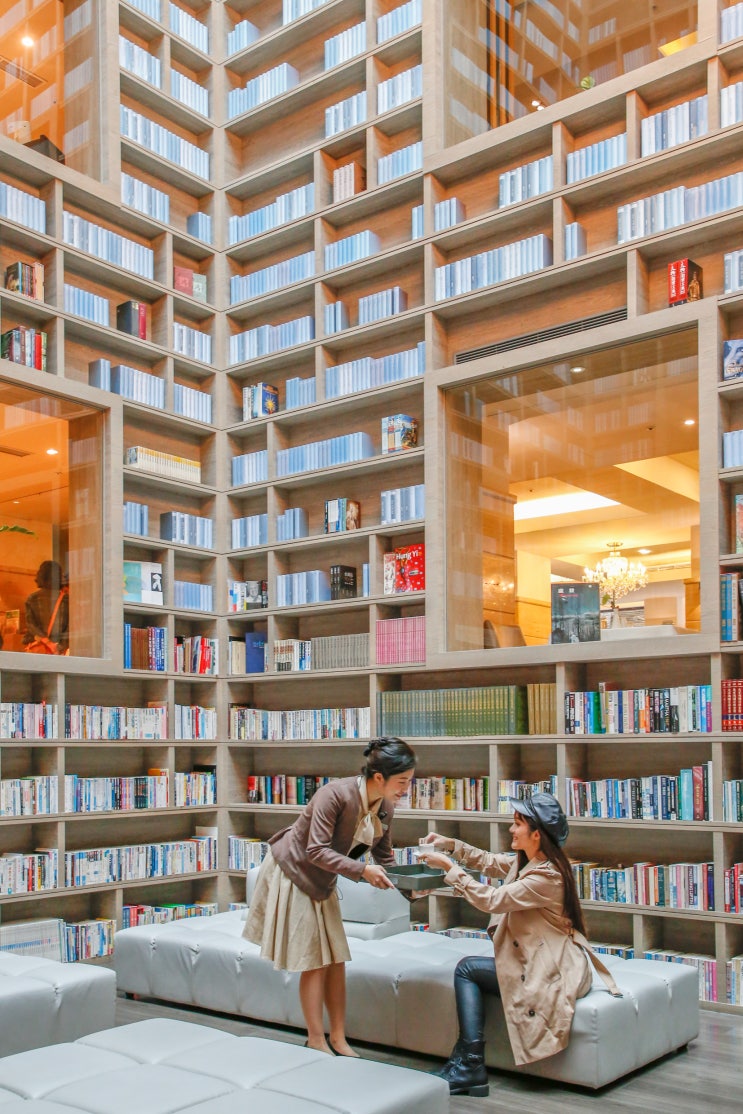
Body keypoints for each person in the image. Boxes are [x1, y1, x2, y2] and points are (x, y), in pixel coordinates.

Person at [418, 792, 621, 1097]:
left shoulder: (546, 877)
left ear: (537, 834)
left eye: (518, 823)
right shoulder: (532, 863)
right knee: (470, 968)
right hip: (548, 963)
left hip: (555, 972)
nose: (511, 829)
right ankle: (464, 1062)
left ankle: (470, 1065)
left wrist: (448, 868)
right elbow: (488, 862)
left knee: (467, 970)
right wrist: (450, 845)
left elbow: (492, 900)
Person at [244, 736, 416, 1056]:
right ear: (380, 777)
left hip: (324, 879)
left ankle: (338, 1037)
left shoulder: (385, 807)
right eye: (403, 781)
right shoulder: (334, 795)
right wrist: (362, 871)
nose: (407, 789)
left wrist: (412, 888)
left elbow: (385, 858)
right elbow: (316, 850)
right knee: (315, 961)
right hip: (294, 872)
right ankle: (315, 1039)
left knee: (336, 959)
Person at [23, 560, 69, 653]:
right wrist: (59, 647)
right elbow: (69, 628)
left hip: (39, 649)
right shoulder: (67, 600)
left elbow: (31, 625)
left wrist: (46, 641)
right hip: (58, 651)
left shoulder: (32, 599)